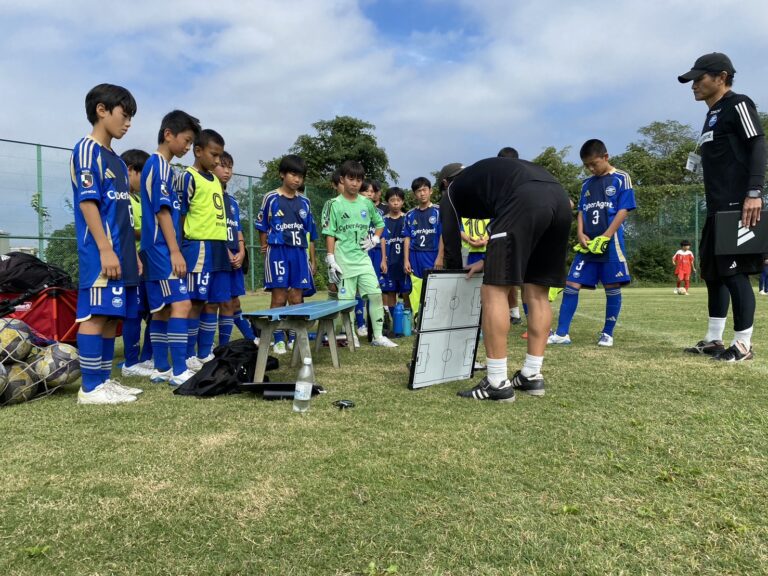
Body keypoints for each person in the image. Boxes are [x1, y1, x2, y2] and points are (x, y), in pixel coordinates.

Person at [440, 158, 572, 402]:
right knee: (537, 292)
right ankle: (531, 374)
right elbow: (508, 229)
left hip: (525, 197)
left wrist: (454, 275)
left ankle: (496, 381)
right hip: (560, 198)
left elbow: (450, 240)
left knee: (493, 290)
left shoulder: (451, 191)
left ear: (445, 183)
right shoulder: (487, 179)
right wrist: (487, 260)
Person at [679, 52, 766, 361]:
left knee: (734, 273)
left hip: (739, 205)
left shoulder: (738, 103)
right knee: (714, 274)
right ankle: (713, 339)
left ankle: (743, 345)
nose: (693, 85)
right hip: (717, 208)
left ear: (722, 77)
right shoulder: (712, 114)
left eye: (699, 79)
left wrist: (754, 192)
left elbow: (757, 143)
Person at [71, 83, 143, 404]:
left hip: (123, 253)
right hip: (101, 252)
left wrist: (132, 255)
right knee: (95, 316)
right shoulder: (87, 150)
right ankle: (90, 388)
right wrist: (105, 248)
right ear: (102, 110)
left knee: (112, 317)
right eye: (124, 115)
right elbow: (89, 203)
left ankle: (103, 381)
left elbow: (122, 212)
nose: (128, 123)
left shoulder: (116, 159)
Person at [548, 139, 636, 348]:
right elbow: (581, 210)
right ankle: (562, 334)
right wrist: (580, 233)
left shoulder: (621, 178)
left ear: (606, 157)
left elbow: (623, 210)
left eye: (594, 164)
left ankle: (607, 333)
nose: (591, 169)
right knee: (571, 284)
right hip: (587, 246)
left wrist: (606, 236)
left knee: (611, 286)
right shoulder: (586, 184)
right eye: (586, 165)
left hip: (610, 244)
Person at [141, 110, 201, 385]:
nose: (188, 147)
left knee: (162, 309)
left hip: (155, 248)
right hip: (161, 249)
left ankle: (162, 368)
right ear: (168, 134)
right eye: (186, 141)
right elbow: (162, 212)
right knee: (182, 304)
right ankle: (179, 371)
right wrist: (175, 251)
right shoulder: (159, 166)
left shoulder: (162, 167)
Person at [323, 160, 398, 348]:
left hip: (363, 259)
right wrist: (331, 259)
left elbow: (380, 224)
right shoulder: (333, 204)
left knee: (375, 294)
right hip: (343, 259)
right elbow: (329, 233)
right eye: (351, 179)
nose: (355, 183)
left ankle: (378, 337)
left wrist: (375, 239)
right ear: (342, 179)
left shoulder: (367, 203)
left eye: (359, 180)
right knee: (347, 301)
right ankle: (351, 336)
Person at [255, 155, 316, 355]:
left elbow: (309, 232)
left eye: (301, 176)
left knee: (297, 297)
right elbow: (262, 225)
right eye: (293, 174)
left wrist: (311, 259)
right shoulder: (271, 198)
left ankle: (294, 336)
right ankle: (278, 338)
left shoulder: (305, 202)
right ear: (282, 174)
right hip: (278, 251)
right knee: (279, 296)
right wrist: (264, 245)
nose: (297, 179)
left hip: (299, 252)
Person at [178, 129, 228, 370]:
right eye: (214, 155)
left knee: (213, 302)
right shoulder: (188, 177)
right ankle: (188, 354)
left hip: (218, 246)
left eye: (220, 156)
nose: (217, 161)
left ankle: (204, 352)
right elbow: (180, 214)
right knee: (195, 301)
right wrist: (178, 248)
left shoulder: (216, 180)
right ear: (198, 151)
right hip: (198, 246)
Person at [214, 151, 257, 346]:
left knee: (234, 302)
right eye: (222, 166)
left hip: (234, 257)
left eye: (230, 167)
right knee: (220, 302)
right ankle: (221, 347)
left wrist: (241, 250)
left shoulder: (232, 202)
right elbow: (211, 228)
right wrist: (226, 251)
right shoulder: (208, 197)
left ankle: (252, 338)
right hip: (218, 256)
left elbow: (237, 229)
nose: (227, 171)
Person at [119, 148, 154, 377]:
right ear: (131, 170)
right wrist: (151, 232)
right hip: (132, 261)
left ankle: (146, 357)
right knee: (134, 311)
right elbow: (127, 230)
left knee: (154, 310)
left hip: (148, 261)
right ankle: (130, 362)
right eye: (144, 175)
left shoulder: (140, 200)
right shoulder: (122, 199)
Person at [404, 176, 444, 314]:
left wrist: (440, 257)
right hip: (415, 255)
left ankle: (434, 317)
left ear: (430, 191)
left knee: (433, 288)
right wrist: (406, 260)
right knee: (416, 288)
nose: (422, 193)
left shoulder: (439, 211)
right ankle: (417, 317)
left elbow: (442, 235)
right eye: (418, 191)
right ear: (414, 194)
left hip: (432, 254)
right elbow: (407, 238)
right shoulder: (410, 215)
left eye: (424, 190)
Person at [380, 187, 412, 313]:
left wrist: (408, 260)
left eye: (398, 200)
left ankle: (408, 319)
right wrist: (383, 259)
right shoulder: (382, 220)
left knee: (406, 293)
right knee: (391, 292)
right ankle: (394, 320)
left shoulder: (407, 218)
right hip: (390, 263)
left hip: (404, 263)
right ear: (387, 202)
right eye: (392, 200)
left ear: (403, 202)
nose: (395, 203)